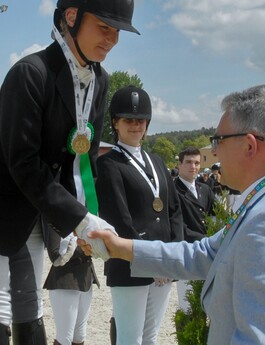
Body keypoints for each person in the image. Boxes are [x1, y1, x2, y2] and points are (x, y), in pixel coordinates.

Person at [0, 1, 140, 344]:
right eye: (105, 27)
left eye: (117, 31)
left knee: (30, 306)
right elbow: (24, 162)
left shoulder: (98, 81)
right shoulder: (30, 73)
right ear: (71, 17)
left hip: (32, 208)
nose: (113, 39)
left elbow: (82, 161)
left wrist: (86, 219)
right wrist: (79, 219)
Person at [84, 85, 265, 344]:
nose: (213, 153)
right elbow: (204, 254)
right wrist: (122, 247)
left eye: (218, 141)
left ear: (249, 146)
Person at [95, 86, 184, 345]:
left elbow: (173, 211)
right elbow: (120, 220)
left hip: (164, 265)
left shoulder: (156, 161)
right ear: (116, 123)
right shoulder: (108, 163)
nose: (135, 126)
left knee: (151, 337)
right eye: (128, 120)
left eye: (140, 120)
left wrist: (172, 255)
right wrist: (151, 261)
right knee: (129, 338)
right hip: (130, 264)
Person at [43, 223, 99, 345]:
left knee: (79, 336)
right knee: (65, 337)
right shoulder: (55, 213)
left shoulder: (86, 208)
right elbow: (55, 252)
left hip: (85, 276)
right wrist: (89, 245)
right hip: (65, 278)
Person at [174, 147, 215, 311]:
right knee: (188, 306)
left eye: (197, 163)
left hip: (207, 251)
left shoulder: (205, 189)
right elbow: (177, 225)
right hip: (187, 251)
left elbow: (215, 216)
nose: (193, 166)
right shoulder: (172, 190)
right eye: (189, 162)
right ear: (180, 164)